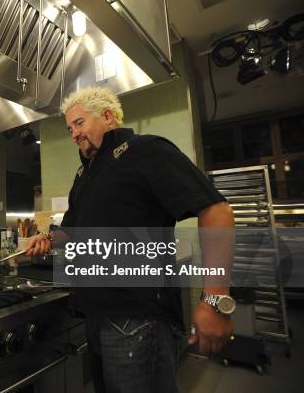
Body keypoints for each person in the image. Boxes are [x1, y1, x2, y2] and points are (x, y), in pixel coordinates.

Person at [25, 87, 235, 393]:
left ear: (108, 117)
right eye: (70, 128)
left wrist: (214, 300)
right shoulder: (84, 175)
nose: (73, 134)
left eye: (79, 123)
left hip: (137, 321)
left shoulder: (145, 151)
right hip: (95, 316)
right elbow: (70, 232)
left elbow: (217, 211)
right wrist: (47, 239)